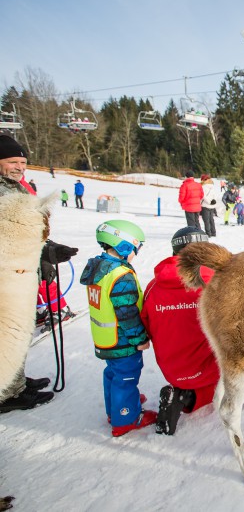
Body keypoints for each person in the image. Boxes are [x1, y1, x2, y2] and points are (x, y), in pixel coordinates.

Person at [140, 227, 244, 435]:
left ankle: (183, 396)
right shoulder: (220, 281)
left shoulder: (154, 286)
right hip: (211, 368)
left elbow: (145, 327)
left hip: (174, 371)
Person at [0, 134, 77, 413]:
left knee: (18, 329)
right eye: (12, 161)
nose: (19, 167)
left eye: (22, 161)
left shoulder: (15, 187)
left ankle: (15, 383)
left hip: (20, 271)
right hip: (7, 273)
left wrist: (46, 251)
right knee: (7, 330)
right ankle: (7, 392)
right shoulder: (3, 192)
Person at [79, 219, 157, 436]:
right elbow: (128, 314)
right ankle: (126, 418)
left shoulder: (99, 267)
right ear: (124, 246)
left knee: (113, 373)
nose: (136, 254)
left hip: (104, 337)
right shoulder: (121, 275)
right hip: (122, 339)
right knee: (127, 376)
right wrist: (140, 338)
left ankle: (116, 406)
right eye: (135, 248)